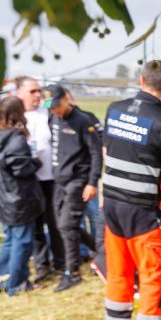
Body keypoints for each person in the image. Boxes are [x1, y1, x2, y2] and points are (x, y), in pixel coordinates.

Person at [102, 60, 161, 320]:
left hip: (112, 204)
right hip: (143, 212)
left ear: (141, 80)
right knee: (156, 273)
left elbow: (106, 150)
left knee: (119, 268)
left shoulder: (114, 109)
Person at [0, 97, 45, 295]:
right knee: (23, 242)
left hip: (2, 196)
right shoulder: (15, 138)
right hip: (19, 199)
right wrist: (36, 162)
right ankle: (16, 285)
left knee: (10, 240)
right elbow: (21, 169)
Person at [46, 85, 102, 292]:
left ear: (66, 99)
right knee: (64, 225)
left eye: (56, 106)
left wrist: (92, 182)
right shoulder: (51, 116)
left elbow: (96, 153)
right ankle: (101, 250)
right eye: (50, 107)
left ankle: (73, 273)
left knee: (68, 226)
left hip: (78, 181)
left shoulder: (83, 121)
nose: (54, 111)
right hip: (59, 180)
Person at [16, 76, 64, 280]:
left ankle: (62, 262)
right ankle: (42, 267)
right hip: (30, 181)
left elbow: (61, 100)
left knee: (57, 223)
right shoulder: (16, 115)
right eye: (32, 91)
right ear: (19, 94)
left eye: (39, 91)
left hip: (53, 179)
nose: (37, 95)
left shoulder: (47, 109)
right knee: (36, 226)